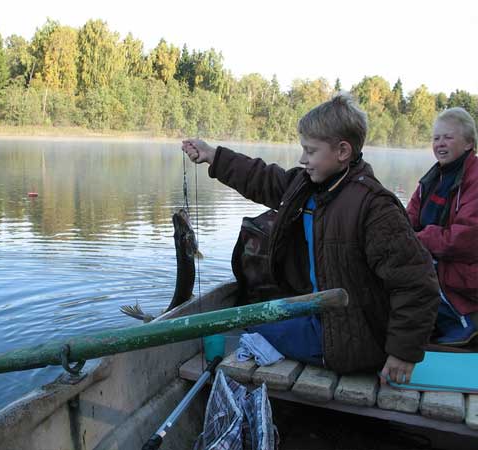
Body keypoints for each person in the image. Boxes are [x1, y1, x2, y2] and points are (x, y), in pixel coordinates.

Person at [182, 94, 439, 384]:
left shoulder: (375, 208)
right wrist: (214, 156)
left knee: (246, 326)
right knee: (248, 317)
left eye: (311, 151)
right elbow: (263, 178)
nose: (303, 159)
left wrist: (402, 352)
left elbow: (417, 283)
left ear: (342, 151)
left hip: (350, 340)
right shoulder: (308, 185)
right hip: (320, 317)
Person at [407, 107, 478, 346]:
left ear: (469, 143)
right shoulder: (433, 178)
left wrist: (419, 239)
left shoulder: (475, 178)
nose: (440, 143)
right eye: (436, 138)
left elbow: (465, 239)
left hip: (466, 270)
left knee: (423, 263)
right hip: (437, 258)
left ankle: (465, 319)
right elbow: (408, 219)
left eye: (448, 137)